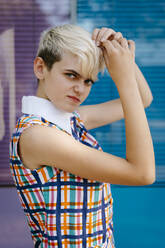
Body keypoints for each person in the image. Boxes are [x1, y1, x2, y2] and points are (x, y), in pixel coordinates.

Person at [10, 24, 155, 248]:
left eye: (88, 81)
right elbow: (142, 173)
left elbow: (143, 99)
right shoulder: (38, 135)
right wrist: (123, 77)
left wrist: (123, 59)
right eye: (71, 75)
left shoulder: (69, 120)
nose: (80, 89)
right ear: (40, 68)